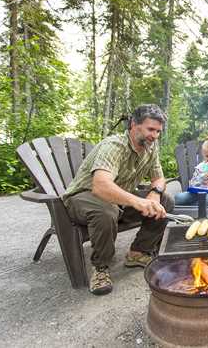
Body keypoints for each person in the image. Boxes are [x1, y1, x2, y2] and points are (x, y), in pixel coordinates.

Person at [63, 104, 174, 296]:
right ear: (133, 124)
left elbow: (159, 178)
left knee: (165, 200)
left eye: (158, 131)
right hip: (84, 197)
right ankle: (101, 268)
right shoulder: (114, 146)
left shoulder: (150, 147)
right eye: (150, 129)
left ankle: (138, 253)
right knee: (106, 211)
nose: (155, 136)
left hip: (118, 200)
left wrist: (155, 193)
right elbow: (100, 186)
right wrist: (138, 202)